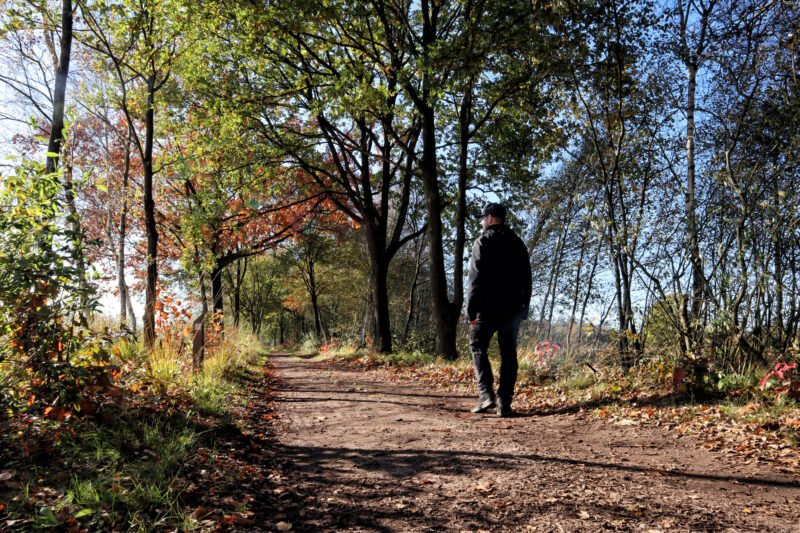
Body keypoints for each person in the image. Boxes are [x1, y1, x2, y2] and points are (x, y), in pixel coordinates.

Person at [465, 203, 532, 417]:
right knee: (508, 354)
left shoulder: (483, 241)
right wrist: (524, 309)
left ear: (491, 218)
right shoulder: (518, 243)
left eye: (483, 218)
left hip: (487, 308)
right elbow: (527, 279)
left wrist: (470, 310)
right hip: (511, 309)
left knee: (477, 346)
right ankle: (504, 403)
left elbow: (475, 278)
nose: (481, 222)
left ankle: (486, 395)